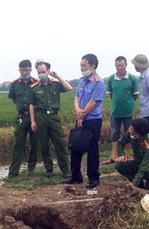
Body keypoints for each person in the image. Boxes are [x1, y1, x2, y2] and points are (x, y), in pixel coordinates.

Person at [66, 54, 106, 190]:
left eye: (84, 65)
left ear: (92, 66)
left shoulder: (98, 82)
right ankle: (75, 175)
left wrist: (82, 114)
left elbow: (93, 102)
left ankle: (93, 177)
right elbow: (76, 97)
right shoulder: (82, 81)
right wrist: (78, 111)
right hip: (80, 117)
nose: (81, 68)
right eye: (81, 65)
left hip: (92, 119)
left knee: (92, 148)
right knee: (75, 146)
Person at [29, 60, 72, 183]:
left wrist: (57, 76)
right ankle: (49, 170)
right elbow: (32, 105)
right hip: (40, 117)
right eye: (39, 72)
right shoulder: (34, 88)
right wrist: (32, 121)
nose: (41, 74)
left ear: (48, 71)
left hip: (53, 116)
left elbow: (69, 88)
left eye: (43, 71)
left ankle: (66, 171)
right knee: (44, 144)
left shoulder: (56, 84)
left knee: (60, 143)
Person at [7, 59, 39, 178]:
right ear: (19, 70)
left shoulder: (36, 82)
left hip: (34, 117)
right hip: (21, 116)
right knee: (18, 144)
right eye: (22, 70)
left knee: (34, 143)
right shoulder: (15, 83)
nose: (25, 72)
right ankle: (14, 171)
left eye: (27, 69)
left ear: (30, 69)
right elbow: (14, 99)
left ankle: (31, 169)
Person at [106, 56, 139, 162]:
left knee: (128, 133)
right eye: (117, 65)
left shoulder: (132, 79)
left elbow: (135, 95)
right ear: (115, 65)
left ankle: (127, 155)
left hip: (128, 112)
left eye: (122, 65)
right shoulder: (111, 78)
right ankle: (114, 155)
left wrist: (128, 102)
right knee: (114, 133)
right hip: (115, 111)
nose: (119, 67)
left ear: (126, 65)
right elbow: (110, 95)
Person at [114, 118, 149, 193]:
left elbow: (143, 167)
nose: (129, 130)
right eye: (130, 128)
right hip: (137, 162)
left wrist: (133, 185)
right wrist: (121, 155)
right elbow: (120, 143)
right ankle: (139, 185)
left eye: (132, 130)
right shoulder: (130, 133)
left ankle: (148, 184)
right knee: (119, 165)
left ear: (138, 135)